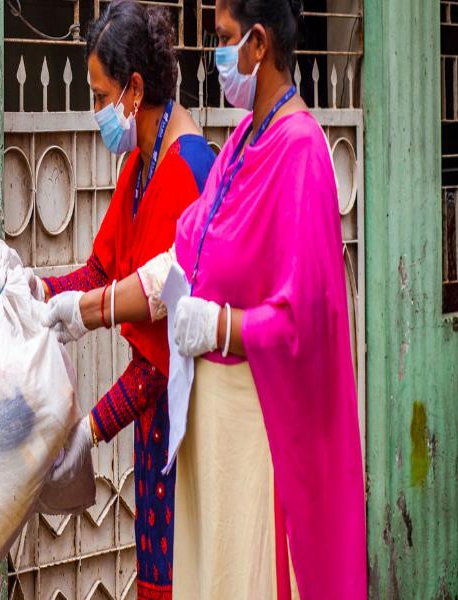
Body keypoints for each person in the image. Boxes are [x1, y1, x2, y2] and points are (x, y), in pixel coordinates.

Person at [41, 0, 367, 598]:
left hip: (262, 430)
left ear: (259, 44)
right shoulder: (243, 140)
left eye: (223, 38)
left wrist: (218, 327)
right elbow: (183, 260)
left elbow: (308, 321)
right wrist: (71, 306)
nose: (215, 56)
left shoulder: (301, 152)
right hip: (211, 429)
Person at [28, 1, 215, 598]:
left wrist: (88, 428)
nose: (96, 110)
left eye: (100, 93)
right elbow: (100, 270)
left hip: (187, 416)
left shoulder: (188, 169)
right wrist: (31, 291)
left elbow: (161, 359)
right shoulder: (143, 159)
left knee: (182, 577)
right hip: (155, 422)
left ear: (134, 89)